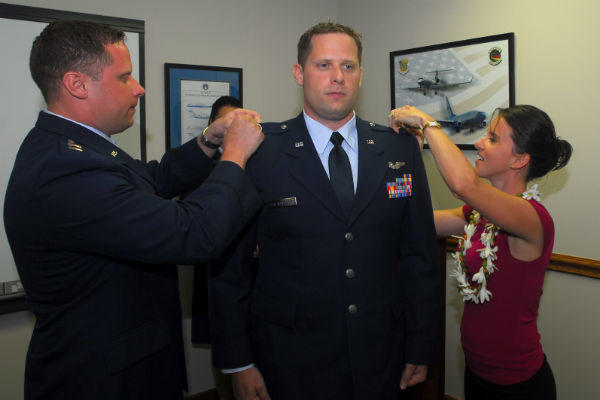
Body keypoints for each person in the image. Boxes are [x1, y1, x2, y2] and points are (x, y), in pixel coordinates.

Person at [3, 20, 264, 400]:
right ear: (77, 84)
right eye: (125, 77)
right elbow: (193, 234)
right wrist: (235, 156)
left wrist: (208, 141)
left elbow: (150, 180)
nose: (139, 88)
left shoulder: (79, 147)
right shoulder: (64, 170)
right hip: (102, 383)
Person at [209, 22, 440, 400]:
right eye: (323, 65)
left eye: (348, 67)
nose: (337, 78)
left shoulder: (398, 149)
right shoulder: (261, 151)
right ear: (299, 73)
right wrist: (238, 361)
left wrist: (421, 345)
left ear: (361, 75)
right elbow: (229, 266)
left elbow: (420, 258)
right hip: (289, 359)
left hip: (380, 356)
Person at [388, 104, 572, 400]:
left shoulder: (533, 218)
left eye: (493, 139)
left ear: (520, 159)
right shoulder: (478, 215)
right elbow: (415, 221)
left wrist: (427, 122)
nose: (479, 143)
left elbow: (464, 184)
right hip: (477, 373)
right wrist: (407, 159)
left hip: (517, 386)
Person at [191, 95, 244, 400]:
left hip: (251, 281)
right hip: (215, 276)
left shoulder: (256, 160)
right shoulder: (199, 167)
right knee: (226, 365)